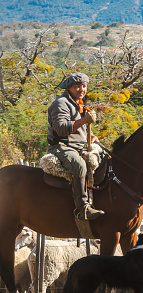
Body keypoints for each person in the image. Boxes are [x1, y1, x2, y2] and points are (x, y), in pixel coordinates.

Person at [47, 72, 105, 220]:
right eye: (77, 86)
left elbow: (79, 129)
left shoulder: (79, 103)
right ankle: (83, 208)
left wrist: (90, 137)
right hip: (61, 146)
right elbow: (61, 129)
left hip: (78, 145)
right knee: (79, 165)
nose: (81, 89)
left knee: (104, 156)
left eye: (84, 86)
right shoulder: (60, 103)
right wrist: (85, 120)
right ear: (69, 88)